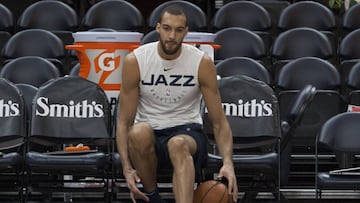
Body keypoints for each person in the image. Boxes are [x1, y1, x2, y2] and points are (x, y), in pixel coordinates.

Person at [116, 4, 238, 203]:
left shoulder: (201, 62)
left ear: (186, 32)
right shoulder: (136, 61)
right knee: (138, 133)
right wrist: (126, 168)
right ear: (158, 28)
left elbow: (219, 121)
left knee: (178, 144)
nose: (172, 35)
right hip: (150, 134)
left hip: (187, 131)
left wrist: (228, 163)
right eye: (167, 28)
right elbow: (124, 122)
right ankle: (153, 198)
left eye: (179, 30)